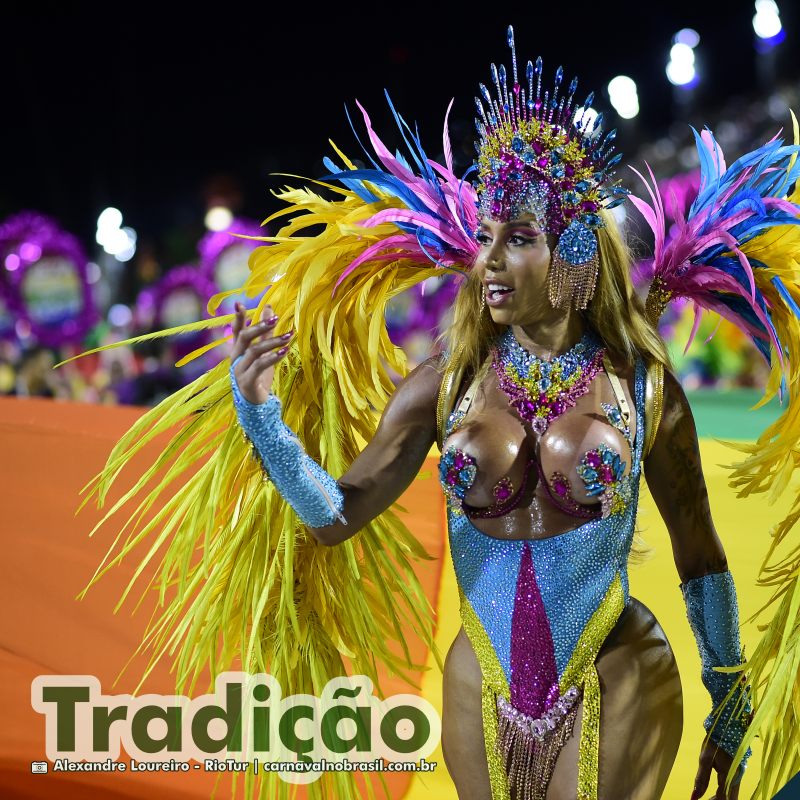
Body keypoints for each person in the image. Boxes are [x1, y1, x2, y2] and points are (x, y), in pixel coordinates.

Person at [81, 25, 800, 800]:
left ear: (576, 254)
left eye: (518, 238)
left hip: (617, 672)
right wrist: (264, 420)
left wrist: (729, 698)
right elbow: (335, 514)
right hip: (477, 682)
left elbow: (700, 551)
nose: (488, 259)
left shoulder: (647, 390)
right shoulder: (444, 384)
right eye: (485, 237)